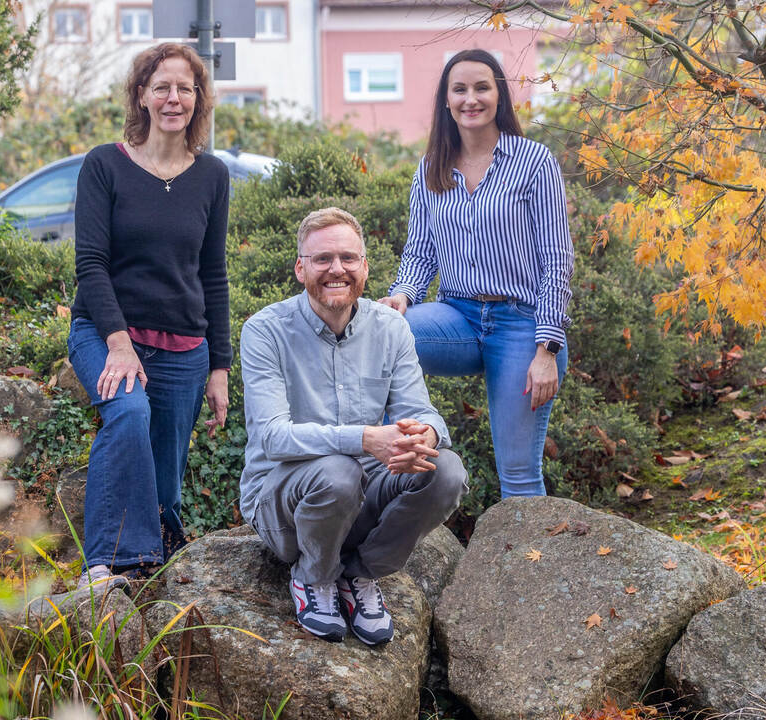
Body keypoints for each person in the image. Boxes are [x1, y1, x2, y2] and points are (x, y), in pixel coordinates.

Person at [239, 207, 468, 645]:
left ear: (365, 267)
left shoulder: (391, 328)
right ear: (300, 268)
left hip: (358, 494)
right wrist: (365, 438)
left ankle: (360, 574)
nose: (336, 269)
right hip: (284, 507)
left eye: (348, 258)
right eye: (322, 259)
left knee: (445, 471)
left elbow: (423, 411)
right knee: (338, 471)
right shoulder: (265, 331)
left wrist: (427, 435)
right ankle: (313, 576)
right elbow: (272, 437)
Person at [68, 43, 231, 588]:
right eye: (161, 86)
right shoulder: (104, 164)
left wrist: (220, 367)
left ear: (198, 99)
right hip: (105, 332)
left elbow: (214, 273)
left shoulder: (212, 176)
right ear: (141, 94)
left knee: (164, 481)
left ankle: (153, 560)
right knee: (129, 411)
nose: (173, 98)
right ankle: (104, 566)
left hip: (186, 346)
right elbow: (90, 263)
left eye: (185, 88)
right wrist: (118, 342)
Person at [379, 49, 573, 499]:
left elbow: (556, 261)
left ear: (498, 95)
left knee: (520, 477)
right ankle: (397, 448)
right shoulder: (430, 170)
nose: (471, 99)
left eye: (481, 87)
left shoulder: (533, 162)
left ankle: (525, 569)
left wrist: (546, 348)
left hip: (522, 326)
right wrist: (402, 297)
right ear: (446, 100)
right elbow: (420, 253)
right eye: (459, 89)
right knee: (383, 332)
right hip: (458, 319)